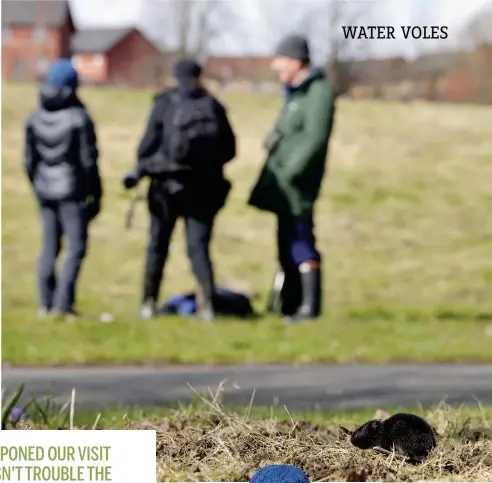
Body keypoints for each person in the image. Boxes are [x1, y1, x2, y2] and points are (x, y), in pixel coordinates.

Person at [122, 59, 236, 321]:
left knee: (157, 246)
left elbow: (145, 147)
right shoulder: (213, 106)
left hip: (165, 189)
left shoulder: (164, 104)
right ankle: (206, 304)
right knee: (198, 248)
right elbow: (230, 149)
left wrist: (147, 167)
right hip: (204, 190)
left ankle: (148, 303)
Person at [248, 34, 336, 323]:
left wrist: (291, 173)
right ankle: (290, 305)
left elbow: (314, 139)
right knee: (285, 242)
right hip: (282, 182)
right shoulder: (295, 94)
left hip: (297, 184)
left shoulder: (318, 93)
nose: (276, 67)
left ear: (297, 62)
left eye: (281, 60)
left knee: (300, 241)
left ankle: (310, 308)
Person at [24, 58, 102, 319]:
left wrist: (37, 183)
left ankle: (45, 303)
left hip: (44, 189)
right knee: (76, 247)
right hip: (72, 190)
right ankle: (63, 304)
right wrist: (95, 193)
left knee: (49, 246)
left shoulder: (35, 117)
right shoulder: (79, 119)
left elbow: (29, 160)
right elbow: (89, 162)